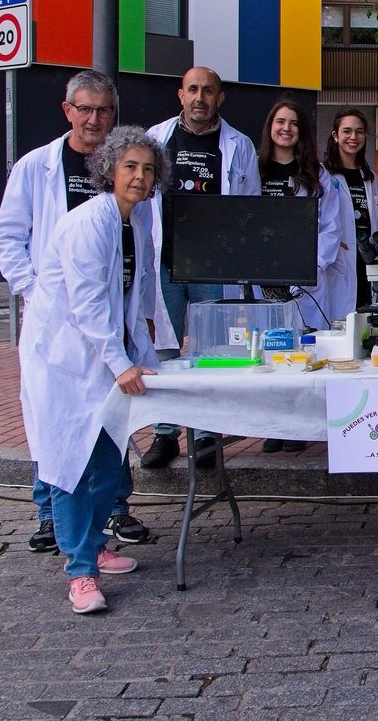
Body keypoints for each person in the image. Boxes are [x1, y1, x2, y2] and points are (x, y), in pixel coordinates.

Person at [0, 69, 152, 550]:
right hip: (63, 323)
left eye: (103, 110)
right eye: (85, 109)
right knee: (60, 426)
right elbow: (7, 237)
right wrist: (36, 290)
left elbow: (142, 248)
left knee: (108, 419)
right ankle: (55, 520)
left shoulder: (132, 170)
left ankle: (113, 512)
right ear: (68, 111)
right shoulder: (37, 166)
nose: (94, 118)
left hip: (110, 313)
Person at [17, 126, 164, 613]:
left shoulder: (132, 222)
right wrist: (122, 364)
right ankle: (80, 571)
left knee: (105, 460)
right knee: (72, 466)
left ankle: (97, 547)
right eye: (130, 167)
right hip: (64, 361)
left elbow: (132, 301)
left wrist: (146, 360)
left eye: (148, 169)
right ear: (109, 170)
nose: (139, 177)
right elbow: (88, 306)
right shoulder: (89, 223)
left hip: (101, 359)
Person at [143, 66, 262, 469]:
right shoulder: (156, 139)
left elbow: (249, 207)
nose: (200, 98)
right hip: (165, 263)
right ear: (181, 95)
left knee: (213, 351)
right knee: (164, 350)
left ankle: (208, 436)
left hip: (214, 268)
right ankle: (164, 434)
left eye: (208, 91)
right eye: (192, 89)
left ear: (219, 98)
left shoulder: (239, 145)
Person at [258, 98, 341, 453]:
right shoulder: (255, 169)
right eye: (280, 122)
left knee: (302, 351)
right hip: (263, 275)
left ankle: (298, 425)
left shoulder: (317, 175)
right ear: (270, 127)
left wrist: (312, 267)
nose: (286, 129)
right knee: (270, 351)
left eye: (293, 123)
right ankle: (275, 424)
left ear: (301, 131)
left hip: (303, 277)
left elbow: (331, 227)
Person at [322, 107, 378, 315]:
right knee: (340, 320)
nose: (353, 137)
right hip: (338, 261)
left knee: (366, 320)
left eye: (359, 132)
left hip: (367, 261)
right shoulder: (323, 175)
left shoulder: (371, 178)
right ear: (335, 136)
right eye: (347, 131)